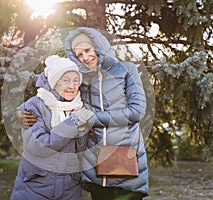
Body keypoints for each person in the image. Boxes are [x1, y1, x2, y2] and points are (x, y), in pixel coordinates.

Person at [16, 27, 149, 199]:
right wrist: (21, 111)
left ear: (98, 46)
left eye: (87, 50)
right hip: (95, 166)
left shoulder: (126, 70)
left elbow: (136, 111)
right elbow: (54, 89)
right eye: (79, 55)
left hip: (125, 161)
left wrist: (92, 119)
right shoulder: (82, 78)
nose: (85, 57)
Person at [10, 55, 94, 200]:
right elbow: (40, 146)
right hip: (37, 185)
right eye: (66, 80)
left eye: (76, 81)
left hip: (70, 188)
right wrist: (72, 123)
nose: (72, 86)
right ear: (54, 83)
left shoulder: (81, 108)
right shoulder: (34, 106)